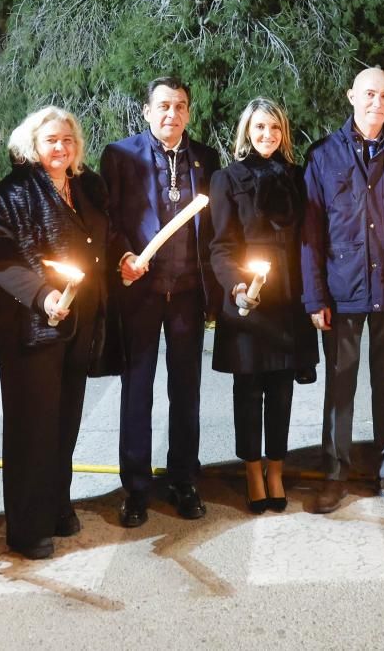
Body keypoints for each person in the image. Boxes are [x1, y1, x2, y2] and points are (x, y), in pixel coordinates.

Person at [0, 107, 110, 558]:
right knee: (30, 430)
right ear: (32, 145)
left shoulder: (88, 186)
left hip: (79, 322)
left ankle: (57, 503)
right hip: (32, 327)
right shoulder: (12, 193)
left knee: (64, 423)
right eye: (51, 140)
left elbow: (103, 241)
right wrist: (42, 296)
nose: (61, 148)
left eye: (68, 140)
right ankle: (26, 525)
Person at [301, 66, 384, 513]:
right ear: (351, 95)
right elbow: (311, 234)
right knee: (340, 387)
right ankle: (336, 473)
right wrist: (315, 296)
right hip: (343, 289)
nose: (378, 102)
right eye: (370, 93)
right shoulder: (323, 156)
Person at [102, 77, 220, 527]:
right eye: (164, 106)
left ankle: (183, 478)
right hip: (142, 292)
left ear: (189, 112)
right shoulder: (122, 155)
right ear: (147, 111)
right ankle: (135, 486)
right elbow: (108, 218)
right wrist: (122, 256)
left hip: (188, 291)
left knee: (186, 390)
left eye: (181, 106)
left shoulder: (203, 158)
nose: (172, 114)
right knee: (138, 389)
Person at [208, 99, 318, 512]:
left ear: (283, 132)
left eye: (274, 128)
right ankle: (252, 469)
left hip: (287, 298)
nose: (267, 135)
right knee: (249, 390)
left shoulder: (296, 177)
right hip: (248, 302)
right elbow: (220, 246)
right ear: (246, 132)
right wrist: (237, 286)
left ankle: (276, 467)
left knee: (282, 391)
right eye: (259, 128)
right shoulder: (227, 179)